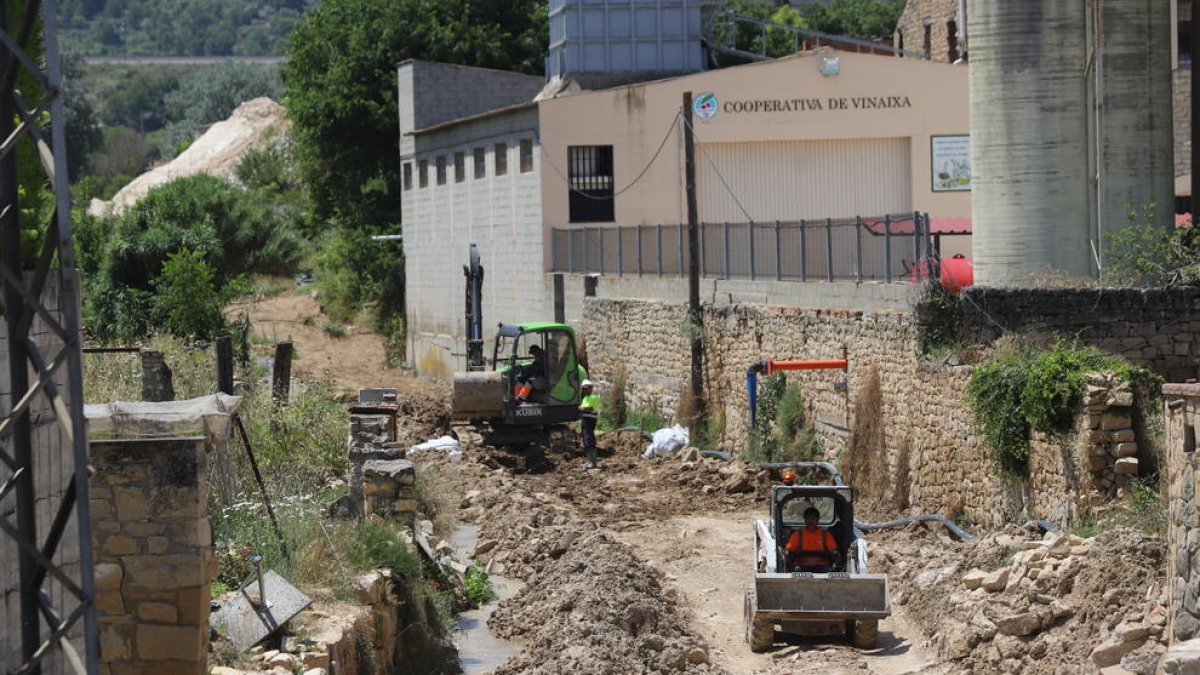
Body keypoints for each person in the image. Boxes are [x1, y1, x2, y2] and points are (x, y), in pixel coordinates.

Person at [785, 506, 837, 573]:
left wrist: (835, 554)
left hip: (822, 567)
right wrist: (787, 553)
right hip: (801, 567)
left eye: (813, 518)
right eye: (808, 518)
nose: (810, 521)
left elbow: (834, 551)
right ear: (805, 520)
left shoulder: (826, 535)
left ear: (818, 520)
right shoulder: (797, 535)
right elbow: (787, 550)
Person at [579, 379, 598, 469]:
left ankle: (593, 462)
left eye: (587, 388)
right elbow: (582, 408)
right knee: (586, 441)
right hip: (585, 421)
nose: (585, 390)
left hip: (590, 421)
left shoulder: (593, 397)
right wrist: (582, 408)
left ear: (591, 388)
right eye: (584, 389)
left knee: (590, 440)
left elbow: (588, 408)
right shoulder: (585, 398)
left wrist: (582, 408)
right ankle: (589, 461)